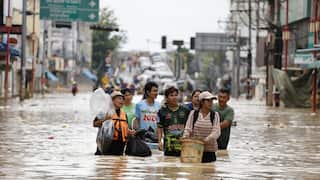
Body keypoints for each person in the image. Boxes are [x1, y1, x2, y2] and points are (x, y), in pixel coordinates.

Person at [183, 91, 220, 163]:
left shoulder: (215, 115)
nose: (211, 103)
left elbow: (216, 132)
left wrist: (205, 140)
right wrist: (185, 139)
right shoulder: (193, 114)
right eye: (208, 100)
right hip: (195, 151)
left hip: (210, 151)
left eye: (212, 100)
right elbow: (188, 129)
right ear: (202, 102)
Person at [93, 91, 135, 155]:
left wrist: (129, 132)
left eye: (123, 99)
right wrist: (105, 119)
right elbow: (94, 124)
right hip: (106, 145)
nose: (122, 101)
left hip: (120, 147)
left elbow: (123, 128)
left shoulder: (124, 114)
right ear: (112, 100)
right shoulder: (104, 111)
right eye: (119, 98)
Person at [157, 86, 190, 156]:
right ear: (166, 98)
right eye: (171, 95)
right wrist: (159, 141)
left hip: (183, 146)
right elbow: (160, 127)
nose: (174, 97)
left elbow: (189, 127)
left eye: (176, 95)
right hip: (168, 147)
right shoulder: (162, 111)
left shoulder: (185, 110)